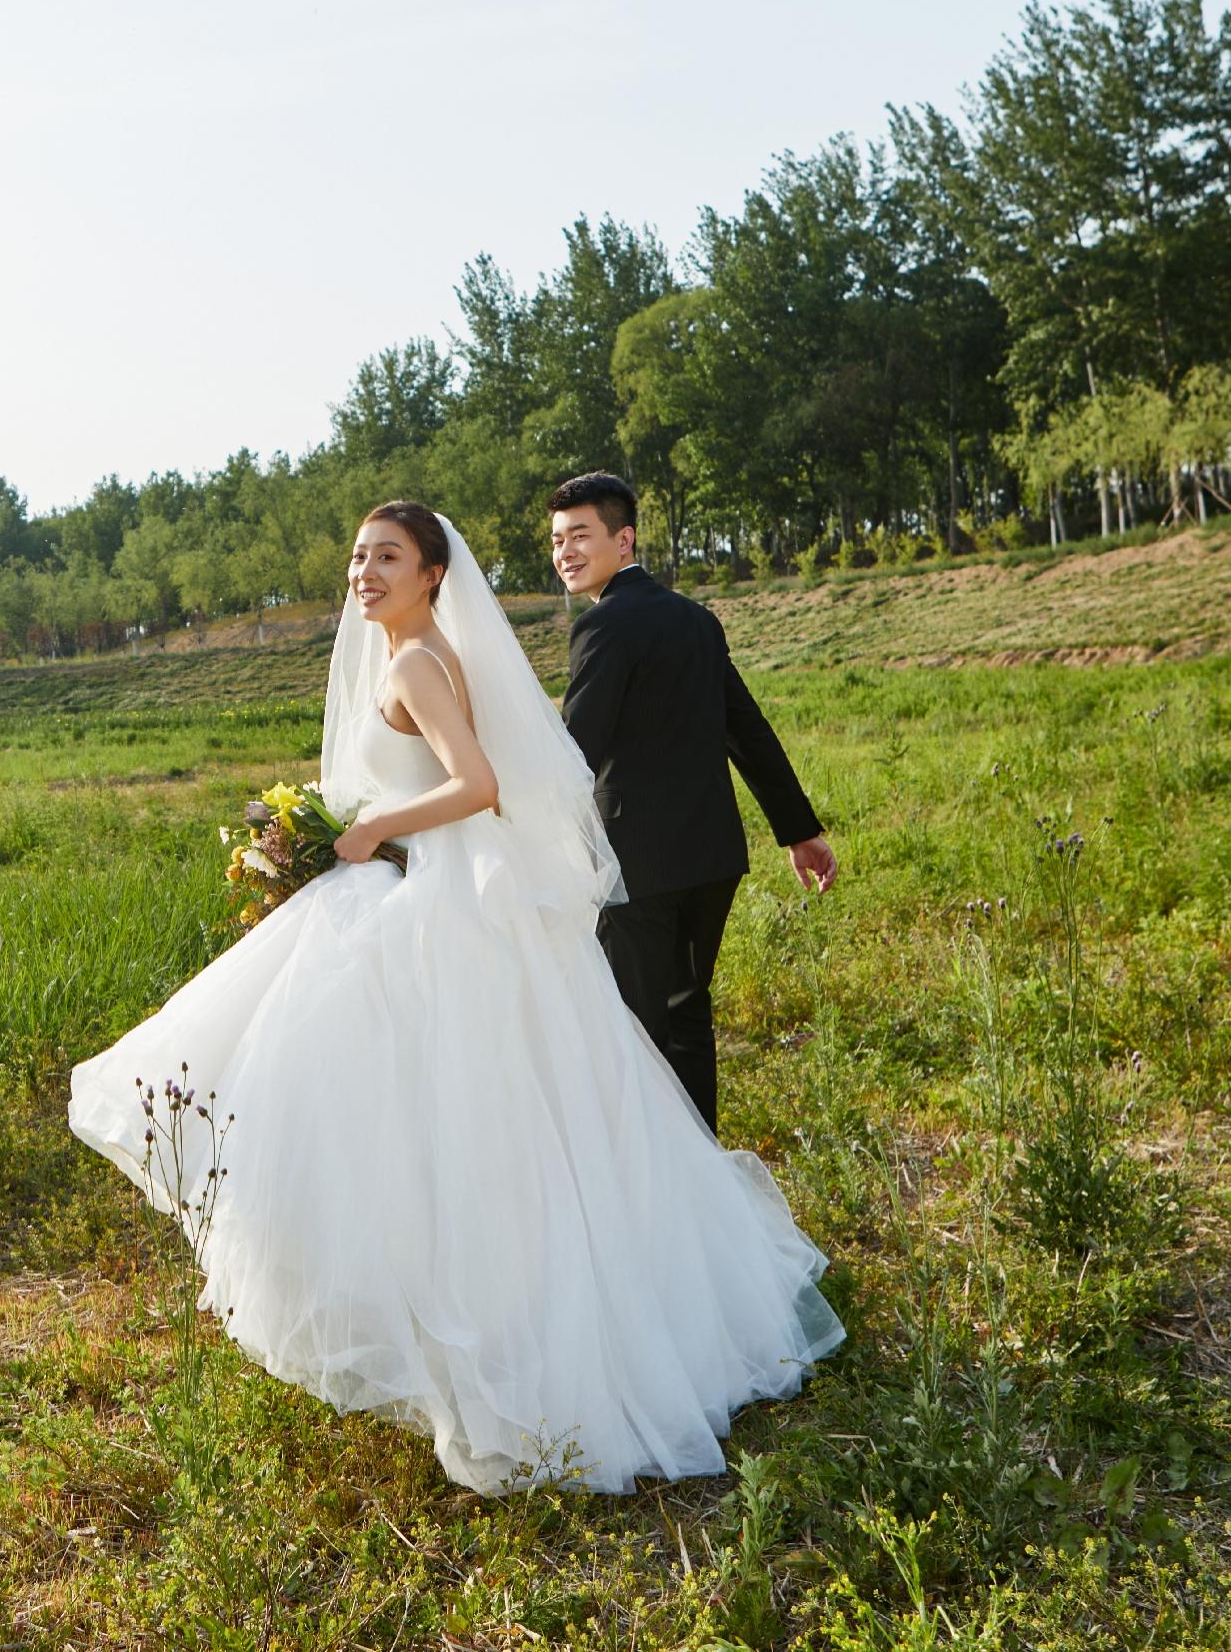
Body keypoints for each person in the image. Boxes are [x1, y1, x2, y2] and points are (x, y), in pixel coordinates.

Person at [67, 500, 841, 1495]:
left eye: (387, 555)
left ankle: (475, 1327)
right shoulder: (418, 652)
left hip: (434, 906)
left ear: (435, 573)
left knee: (433, 1115)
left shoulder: (417, 661)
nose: (364, 570)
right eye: (356, 554)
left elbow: (478, 784)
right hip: (425, 889)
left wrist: (366, 828)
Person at [549, 472, 835, 1135]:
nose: (566, 552)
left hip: (636, 868)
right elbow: (749, 729)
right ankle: (702, 1166)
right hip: (711, 857)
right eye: (558, 540)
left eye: (580, 535)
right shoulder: (695, 619)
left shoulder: (603, 626)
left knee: (630, 1032)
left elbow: (575, 751)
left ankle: (646, 1181)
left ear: (624, 540)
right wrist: (799, 831)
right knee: (686, 1016)